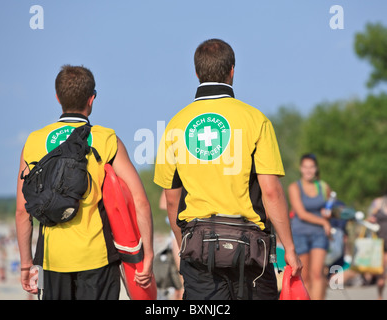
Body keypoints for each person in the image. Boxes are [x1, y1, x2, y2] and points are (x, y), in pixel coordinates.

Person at [154, 39, 302, 300]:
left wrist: (183, 248)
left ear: (197, 73)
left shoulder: (176, 124)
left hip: (199, 250)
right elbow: (271, 192)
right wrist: (289, 248)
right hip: (251, 252)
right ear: (232, 70)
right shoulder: (255, 119)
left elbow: (171, 198)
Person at [15, 65, 154, 300]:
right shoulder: (106, 138)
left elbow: (22, 211)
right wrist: (146, 253)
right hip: (98, 259)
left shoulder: (34, 141)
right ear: (92, 99)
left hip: (52, 260)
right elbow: (140, 200)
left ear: (58, 97)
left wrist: (26, 264)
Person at [288, 153, 332, 300]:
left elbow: (331, 208)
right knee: (304, 276)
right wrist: (323, 222)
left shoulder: (324, 187)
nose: (308, 170)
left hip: (319, 234)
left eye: (311, 167)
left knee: (317, 274)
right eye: (305, 167)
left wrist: (329, 213)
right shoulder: (294, 187)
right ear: (301, 168)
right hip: (300, 233)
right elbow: (301, 213)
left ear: (316, 168)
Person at [367, 193, 387, 300]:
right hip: (380, 244)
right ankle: (380, 296)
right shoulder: (378, 202)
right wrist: (371, 219)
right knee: (381, 275)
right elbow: (368, 218)